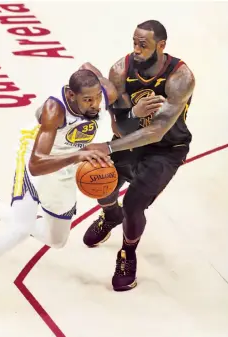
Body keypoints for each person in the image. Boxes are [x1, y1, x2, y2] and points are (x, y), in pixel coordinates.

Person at [0, 66, 117, 317]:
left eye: (97, 97)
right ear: (71, 96)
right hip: (35, 159)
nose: (95, 104)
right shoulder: (55, 111)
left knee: (57, 240)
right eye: (88, 99)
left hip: (66, 164)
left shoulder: (104, 94)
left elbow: (102, 81)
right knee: (19, 229)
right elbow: (37, 164)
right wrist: (80, 154)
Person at [82, 20, 195, 292]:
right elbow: (119, 127)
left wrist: (108, 147)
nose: (136, 49)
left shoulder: (181, 78)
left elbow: (157, 132)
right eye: (134, 42)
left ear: (161, 45)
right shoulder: (121, 70)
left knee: (133, 206)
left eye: (142, 45)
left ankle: (127, 253)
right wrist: (133, 114)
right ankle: (110, 215)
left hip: (167, 149)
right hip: (130, 140)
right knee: (99, 176)